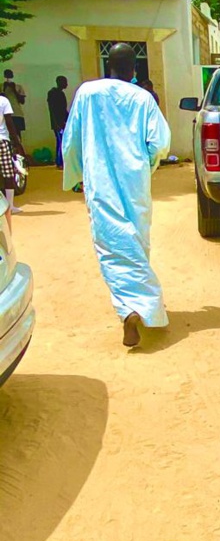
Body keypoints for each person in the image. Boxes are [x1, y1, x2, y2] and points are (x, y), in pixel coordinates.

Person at [62, 43, 171, 348]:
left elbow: (71, 139)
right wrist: (146, 166)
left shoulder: (87, 93)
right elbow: (159, 143)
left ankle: (128, 309)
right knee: (136, 240)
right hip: (135, 183)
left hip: (100, 181)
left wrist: (76, 175)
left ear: (107, 65)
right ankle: (142, 306)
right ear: (134, 69)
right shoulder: (143, 98)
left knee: (111, 245)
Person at [0, 93, 25, 225]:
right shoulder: (3, 101)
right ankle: (10, 206)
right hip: (2, 141)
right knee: (8, 174)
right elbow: (9, 122)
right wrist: (17, 142)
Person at [47, 75, 70, 168]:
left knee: (62, 141)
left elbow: (64, 109)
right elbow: (52, 109)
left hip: (62, 122)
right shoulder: (52, 93)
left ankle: (61, 162)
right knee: (61, 142)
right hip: (58, 123)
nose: (67, 84)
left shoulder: (61, 94)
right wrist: (56, 123)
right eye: (65, 82)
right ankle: (60, 162)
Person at [2, 70, 26, 138]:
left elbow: (22, 101)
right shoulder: (1, 86)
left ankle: (18, 148)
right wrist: (4, 89)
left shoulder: (18, 87)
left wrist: (14, 89)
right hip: (4, 114)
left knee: (17, 134)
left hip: (17, 113)